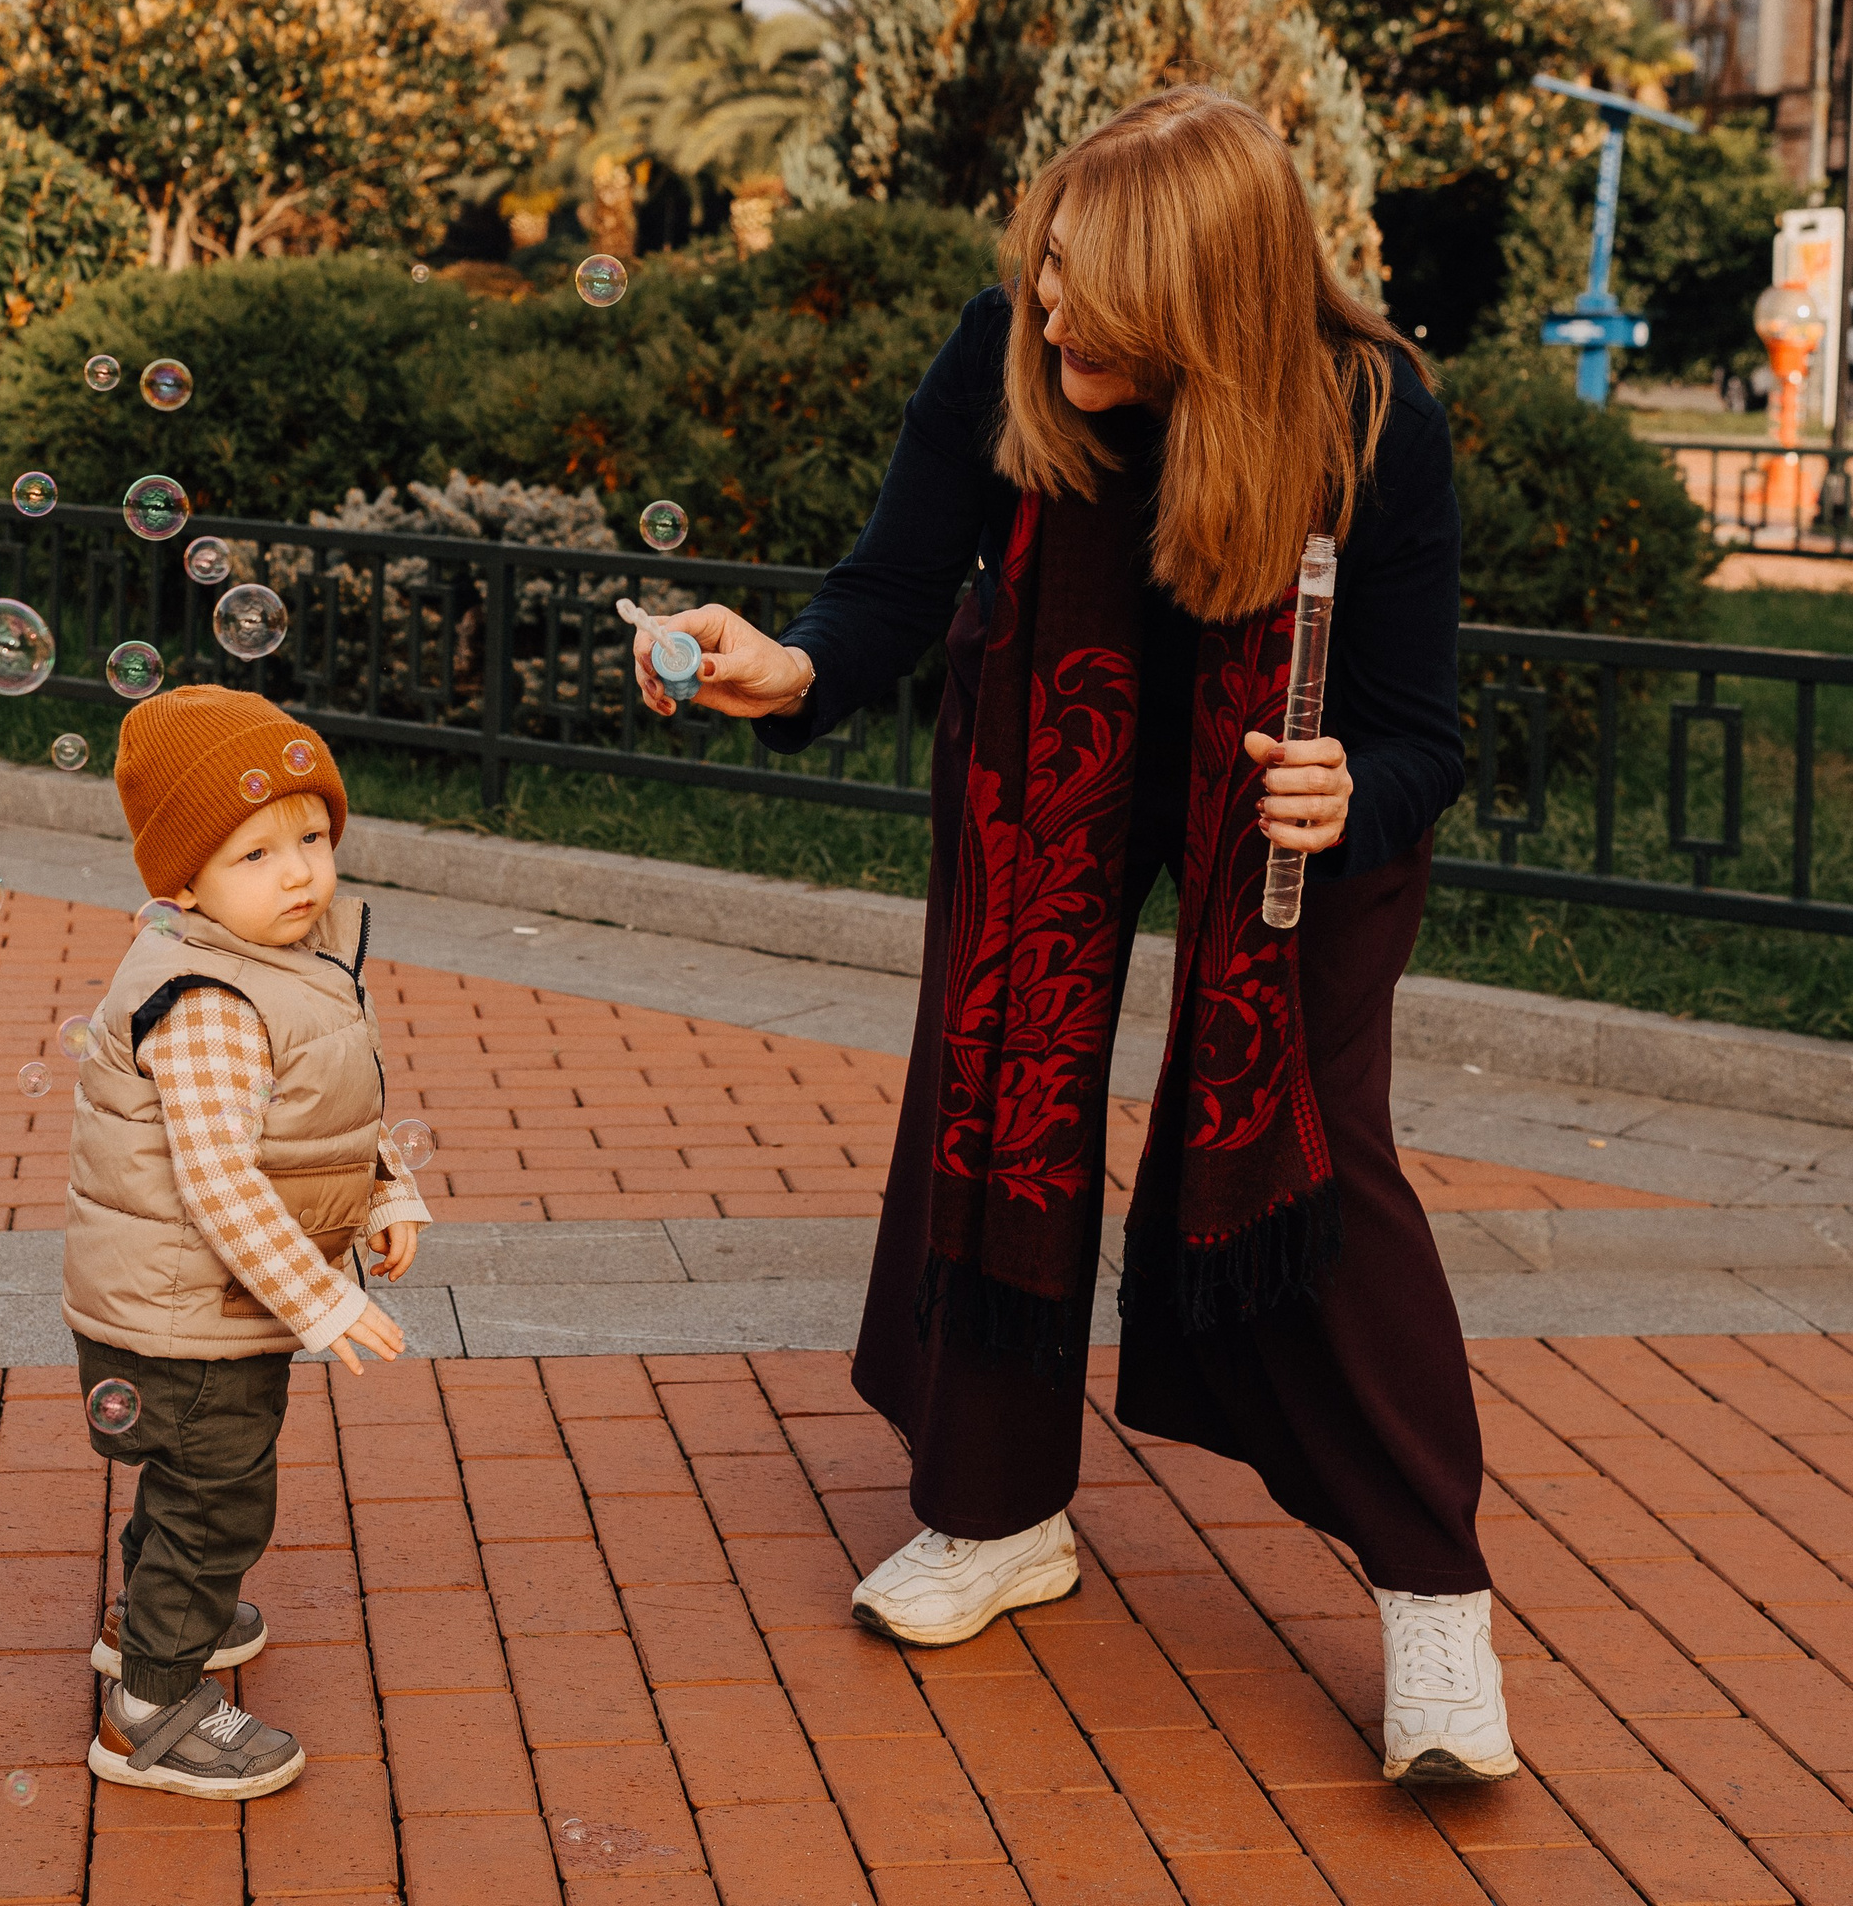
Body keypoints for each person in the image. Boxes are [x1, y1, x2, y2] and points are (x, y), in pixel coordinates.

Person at [632, 87, 1516, 1786]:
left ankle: (1433, 1594)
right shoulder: (1005, 352)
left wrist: (1357, 789)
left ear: (1201, 301)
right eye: (1042, 275)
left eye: (1087, 298)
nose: (1046, 320)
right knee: (999, 1082)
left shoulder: (1370, 415)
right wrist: (794, 666)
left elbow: (1424, 732)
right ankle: (997, 1512)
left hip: (1292, 795)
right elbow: (894, 584)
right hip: (1050, 750)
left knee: (1316, 1144)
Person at [63, 686, 429, 1802]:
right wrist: (323, 1301)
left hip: (209, 1305)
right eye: (256, 853)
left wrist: (385, 1192)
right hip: (188, 1314)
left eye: (311, 838)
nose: (300, 873)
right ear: (184, 883)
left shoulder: (283, 959)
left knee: (193, 1484)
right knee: (218, 1499)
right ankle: (149, 1712)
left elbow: (324, 1112)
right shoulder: (208, 998)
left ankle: (149, 1622)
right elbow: (220, 1179)